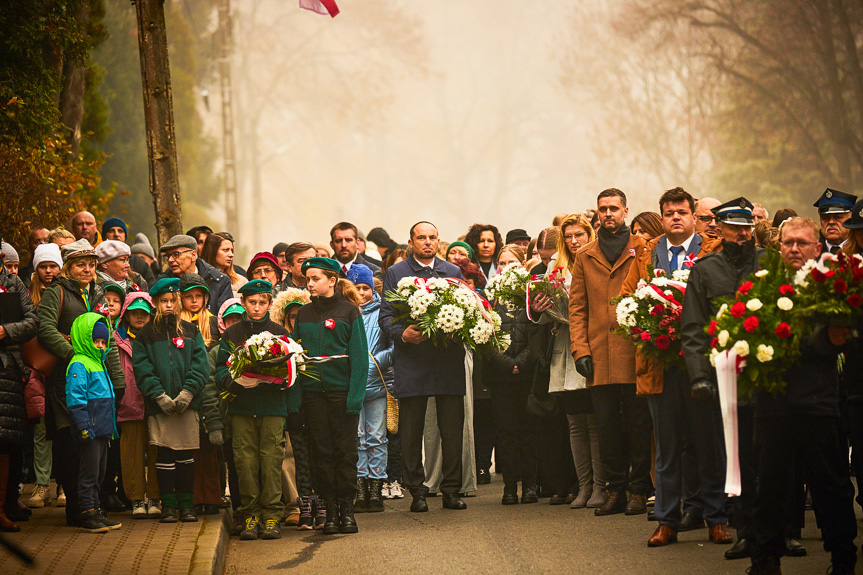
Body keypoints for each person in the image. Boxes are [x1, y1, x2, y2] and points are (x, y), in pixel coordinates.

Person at [748, 217, 857, 575]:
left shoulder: (832, 284)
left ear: (816, 247)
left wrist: (826, 340)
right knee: (771, 489)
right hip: (773, 406)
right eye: (788, 242)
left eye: (802, 243)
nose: (794, 248)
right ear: (779, 247)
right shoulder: (762, 285)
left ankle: (843, 559)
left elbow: (842, 335)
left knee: (831, 489)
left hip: (819, 403)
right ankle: (765, 559)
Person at [620, 187, 728, 547]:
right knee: (666, 449)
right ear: (661, 217)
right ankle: (667, 521)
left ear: (695, 216)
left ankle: (715, 518)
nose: (676, 218)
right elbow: (625, 298)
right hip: (659, 363)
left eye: (682, 211)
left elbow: (725, 297)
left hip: (702, 365)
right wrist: (645, 321)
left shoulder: (712, 250)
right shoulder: (646, 255)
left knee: (708, 444)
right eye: (669, 213)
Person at [681, 197, 764, 560]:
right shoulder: (705, 269)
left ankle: (786, 531)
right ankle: (746, 531)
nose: (741, 234)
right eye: (734, 228)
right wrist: (700, 376)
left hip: (768, 376)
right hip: (725, 380)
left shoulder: (768, 264)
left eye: (746, 228)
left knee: (776, 457)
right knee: (739, 458)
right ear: (722, 229)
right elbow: (694, 328)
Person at [569, 189, 653, 517]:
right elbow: (577, 307)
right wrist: (580, 350)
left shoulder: (643, 249)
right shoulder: (586, 254)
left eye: (614, 208)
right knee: (606, 427)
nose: (608, 213)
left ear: (626, 210)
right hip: (599, 354)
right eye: (603, 208)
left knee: (637, 424)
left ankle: (638, 490)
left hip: (634, 351)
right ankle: (614, 489)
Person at [379, 222, 468, 513]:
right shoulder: (397, 273)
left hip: (447, 361)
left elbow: (468, 311)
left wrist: (461, 328)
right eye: (421, 238)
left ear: (438, 241)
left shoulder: (452, 272)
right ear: (411, 242)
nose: (427, 242)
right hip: (413, 361)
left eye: (432, 238)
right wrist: (402, 334)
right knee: (411, 430)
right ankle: (417, 491)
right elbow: (387, 316)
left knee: (452, 430)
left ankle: (451, 490)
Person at [38, 239, 127, 527]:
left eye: (91, 264)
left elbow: (108, 336)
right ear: (68, 267)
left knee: (95, 446)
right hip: (68, 377)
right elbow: (45, 329)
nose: (86, 269)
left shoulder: (99, 293)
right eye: (80, 264)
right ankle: (76, 508)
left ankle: (90, 506)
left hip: (98, 381)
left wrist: (117, 377)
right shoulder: (57, 292)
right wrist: (75, 354)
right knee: (69, 441)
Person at [215, 280, 299, 540]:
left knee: (271, 461)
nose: (257, 307)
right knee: (245, 463)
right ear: (243, 303)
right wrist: (236, 379)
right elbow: (219, 371)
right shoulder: (232, 334)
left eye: (263, 303)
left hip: (272, 407)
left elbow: (293, 369)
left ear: (270, 304)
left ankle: (272, 516)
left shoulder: (279, 332)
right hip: (241, 408)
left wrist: (274, 377)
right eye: (252, 302)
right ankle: (250, 515)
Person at [293, 257, 369, 534]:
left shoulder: (349, 311)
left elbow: (360, 360)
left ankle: (348, 509)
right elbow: (296, 359)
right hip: (313, 396)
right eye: (307, 279)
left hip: (341, 395)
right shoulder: (303, 315)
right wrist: (298, 399)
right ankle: (331, 512)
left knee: (345, 453)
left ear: (332, 280)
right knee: (321, 454)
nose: (310, 284)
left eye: (315, 279)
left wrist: (354, 398)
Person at [132, 278, 208, 524]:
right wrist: (159, 395)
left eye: (172, 301)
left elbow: (200, 365)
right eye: (163, 301)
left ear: (178, 302)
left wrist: (188, 392)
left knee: (186, 457)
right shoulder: (146, 334)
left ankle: (187, 505)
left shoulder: (190, 330)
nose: (168, 305)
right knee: (164, 456)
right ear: (155, 303)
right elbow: (142, 369)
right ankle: (168, 505)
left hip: (187, 405)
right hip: (160, 406)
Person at [486, 246, 538, 506]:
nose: (506, 268)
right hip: (501, 375)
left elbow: (538, 334)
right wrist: (507, 364)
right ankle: (509, 487)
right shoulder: (489, 298)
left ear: (523, 265)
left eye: (512, 263)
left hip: (528, 374)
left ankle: (530, 484)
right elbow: (484, 339)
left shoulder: (531, 294)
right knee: (505, 432)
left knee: (528, 430)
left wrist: (522, 363)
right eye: (502, 263)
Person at [65, 313, 123, 533]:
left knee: (99, 473)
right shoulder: (80, 364)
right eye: (96, 341)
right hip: (89, 430)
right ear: (84, 340)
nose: (100, 346)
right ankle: (88, 512)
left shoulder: (98, 362)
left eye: (103, 342)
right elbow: (76, 400)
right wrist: (83, 426)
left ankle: (96, 509)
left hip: (101, 430)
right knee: (88, 474)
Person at [347, 264, 392, 513]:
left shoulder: (382, 312)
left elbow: (394, 345)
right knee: (357, 438)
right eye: (356, 288)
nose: (362, 293)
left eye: (365, 288)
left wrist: (374, 364)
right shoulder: (346, 312)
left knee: (377, 437)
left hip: (376, 386)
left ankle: (376, 487)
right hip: (352, 386)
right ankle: (360, 487)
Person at [0, 235, 38, 532]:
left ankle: (2, 508)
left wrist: (5, 330)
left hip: (7, 372)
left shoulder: (12, 283)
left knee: (6, 444)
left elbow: (32, 321)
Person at [114, 293, 161, 520]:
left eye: (144, 313)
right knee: (130, 456)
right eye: (135, 313)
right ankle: (135, 499)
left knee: (156, 453)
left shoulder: (158, 337)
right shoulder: (116, 339)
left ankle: (154, 497)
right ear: (126, 314)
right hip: (128, 405)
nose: (139, 317)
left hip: (154, 403)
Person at [23, 243, 63, 509]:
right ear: (36, 269)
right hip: (37, 371)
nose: (48, 271)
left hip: (63, 368)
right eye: (43, 266)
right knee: (40, 430)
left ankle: (63, 485)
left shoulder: (66, 294)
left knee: (64, 430)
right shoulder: (27, 297)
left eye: (53, 266)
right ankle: (40, 484)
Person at [158, 234, 232, 315]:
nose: (170, 260)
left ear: (193, 255)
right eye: (168, 256)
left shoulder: (218, 280)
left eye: (176, 254)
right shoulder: (163, 283)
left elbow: (225, 319)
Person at [101, 217, 156, 286]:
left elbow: (151, 288)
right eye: (111, 231)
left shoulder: (139, 263)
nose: (116, 234)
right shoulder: (96, 260)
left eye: (120, 231)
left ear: (125, 235)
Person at [201, 232, 247, 296]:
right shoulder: (199, 279)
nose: (231, 255)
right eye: (225, 250)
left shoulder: (242, 282)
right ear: (212, 252)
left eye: (232, 251)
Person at [814, 188, 858, 255]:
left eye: (838, 217)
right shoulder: (811, 249)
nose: (831, 222)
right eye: (825, 218)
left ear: (851, 219)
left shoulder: (859, 247)